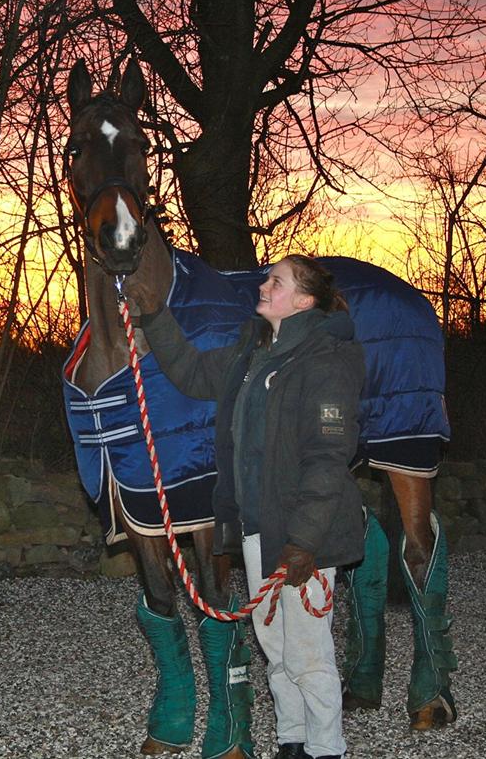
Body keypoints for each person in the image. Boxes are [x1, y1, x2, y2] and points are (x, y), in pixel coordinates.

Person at [125, 254, 366, 759]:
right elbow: (191, 372)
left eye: (274, 281)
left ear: (302, 300)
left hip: (305, 534)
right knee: (275, 647)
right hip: (258, 526)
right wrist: (153, 317)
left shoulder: (328, 360)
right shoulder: (252, 352)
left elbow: (328, 457)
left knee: (307, 654)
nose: (263, 284)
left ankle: (328, 748)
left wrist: (304, 542)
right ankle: (291, 741)